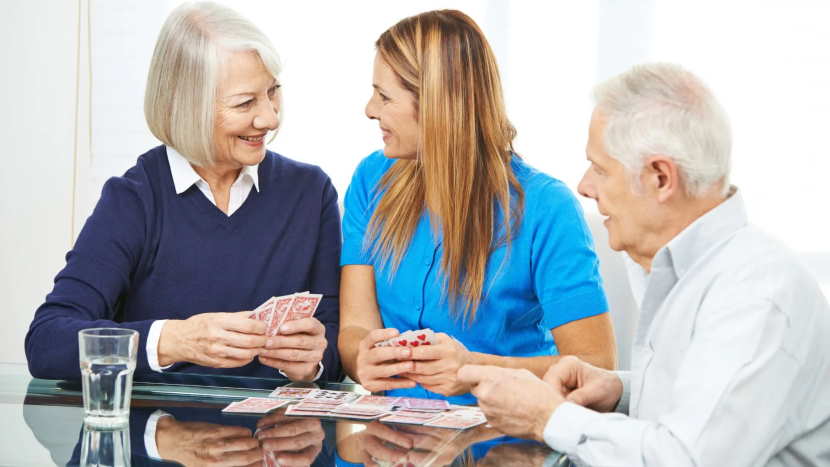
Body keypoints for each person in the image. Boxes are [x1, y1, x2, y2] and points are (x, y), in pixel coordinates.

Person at [457, 63, 830, 466]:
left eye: (600, 168)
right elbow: (708, 403)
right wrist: (621, 392)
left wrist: (548, 417)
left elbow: (689, 459)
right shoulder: (700, 270)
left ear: (660, 178)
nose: (585, 187)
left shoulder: (757, 294)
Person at [25, 2, 340, 383]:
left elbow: (334, 338)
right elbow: (47, 343)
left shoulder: (309, 192)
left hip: (271, 437)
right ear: (186, 106)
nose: (270, 118)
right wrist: (173, 339)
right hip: (157, 435)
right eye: (245, 103)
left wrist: (316, 361)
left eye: (273, 92)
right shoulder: (135, 199)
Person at [338, 9, 616, 405]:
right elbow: (355, 325)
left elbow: (596, 365)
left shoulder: (546, 207)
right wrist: (359, 358)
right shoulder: (371, 178)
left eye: (384, 96)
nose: (370, 109)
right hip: (389, 434)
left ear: (437, 103)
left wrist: (473, 368)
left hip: (503, 436)